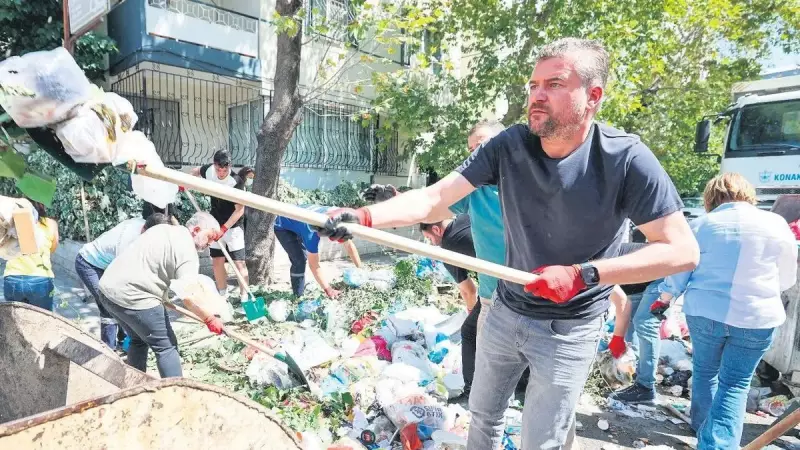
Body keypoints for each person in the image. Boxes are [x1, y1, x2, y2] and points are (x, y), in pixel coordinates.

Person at [317, 38, 699, 449]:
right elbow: (435, 197)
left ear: (593, 96)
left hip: (568, 328)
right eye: (533, 85)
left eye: (553, 84)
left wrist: (583, 274)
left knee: (541, 439)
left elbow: (682, 251)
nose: (537, 95)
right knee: (483, 417)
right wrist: (364, 217)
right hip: (502, 311)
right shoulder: (510, 145)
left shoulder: (625, 159)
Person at [654, 173, 797, 449]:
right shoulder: (776, 224)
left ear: (711, 198)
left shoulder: (700, 225)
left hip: (706, 313)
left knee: (706, 371)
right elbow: (787, 277)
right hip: (757, 317)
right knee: (735, 383)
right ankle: (718, 442)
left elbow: (680, 270)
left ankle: (702, 429)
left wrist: (665, 298)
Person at [363, 120, 507, 336]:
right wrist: (371, 212)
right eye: (471, 151)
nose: (476, 156)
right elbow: (431, 204)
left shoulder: (529, 182)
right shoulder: (474, 190)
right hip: (491, 300)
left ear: (505, 144)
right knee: (471, 344)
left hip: (533, 302)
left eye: (482, 146)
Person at [98, 212, 224, 378]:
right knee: (167, 347)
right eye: (209, 237)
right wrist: (209, 318)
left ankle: (135, 383)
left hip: (107, 289)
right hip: (134, 296)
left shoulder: (163, 228)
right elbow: (189, 297)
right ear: (197, 229)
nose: (209, 244)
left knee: (138, 339)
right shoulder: (187, 252)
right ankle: (176, 394)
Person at [75, 213, 171, 349]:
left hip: (107, 265)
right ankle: (108, 349)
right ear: (145, 229)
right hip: (88, 263)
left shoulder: (146, 225)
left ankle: (123, 340)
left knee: (119, 302)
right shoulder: (128, 242)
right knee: (108, 304)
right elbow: (122, 278)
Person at [190, 150, 249, 302]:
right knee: (217, 261)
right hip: (214, 225)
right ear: (214, 165)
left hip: (233, 227)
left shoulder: (236, 182)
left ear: (229, 166)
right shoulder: (209, 170)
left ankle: (245, 298)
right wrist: (186, 182)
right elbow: (196, 171)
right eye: (218, 169)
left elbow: (239, 210)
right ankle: (223, 295)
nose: (221, 173)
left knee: (239, 263)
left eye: (225, 170)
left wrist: (224, 229)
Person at [274, 205, 362, 298]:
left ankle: (300, 290)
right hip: (283, 226)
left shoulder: (337, 216)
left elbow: (348, 245)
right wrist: (329, 290)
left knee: (302, 255)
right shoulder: (311, 235)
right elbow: (314, 265)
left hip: (299, 220)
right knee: (299, 261)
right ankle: (297, 296)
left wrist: (360, 270)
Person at [3, 200, 59, 310]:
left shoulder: (15, 223)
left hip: (12, 278)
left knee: (14, 322)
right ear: (42, 206)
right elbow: (52, 248)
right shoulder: (50, 224)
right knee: (42, 321)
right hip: (40, 279)